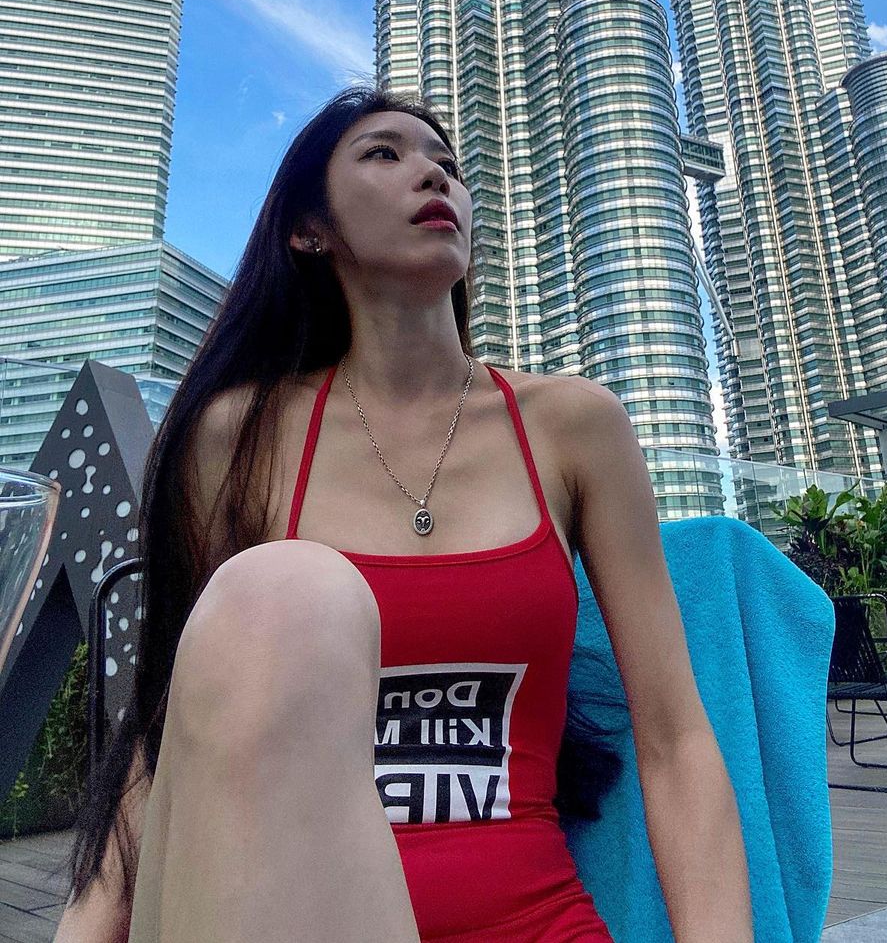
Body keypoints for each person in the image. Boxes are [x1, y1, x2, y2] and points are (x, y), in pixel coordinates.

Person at [55, 86, 752, 943]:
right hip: (281, 917)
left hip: (532, 919)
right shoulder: (235, 435)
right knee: (287, 590)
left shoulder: (575, 425)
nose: (434, 174)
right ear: (309, 229)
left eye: (448, 164)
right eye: (385, 154)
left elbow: (676, 739)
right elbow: (168, 734)